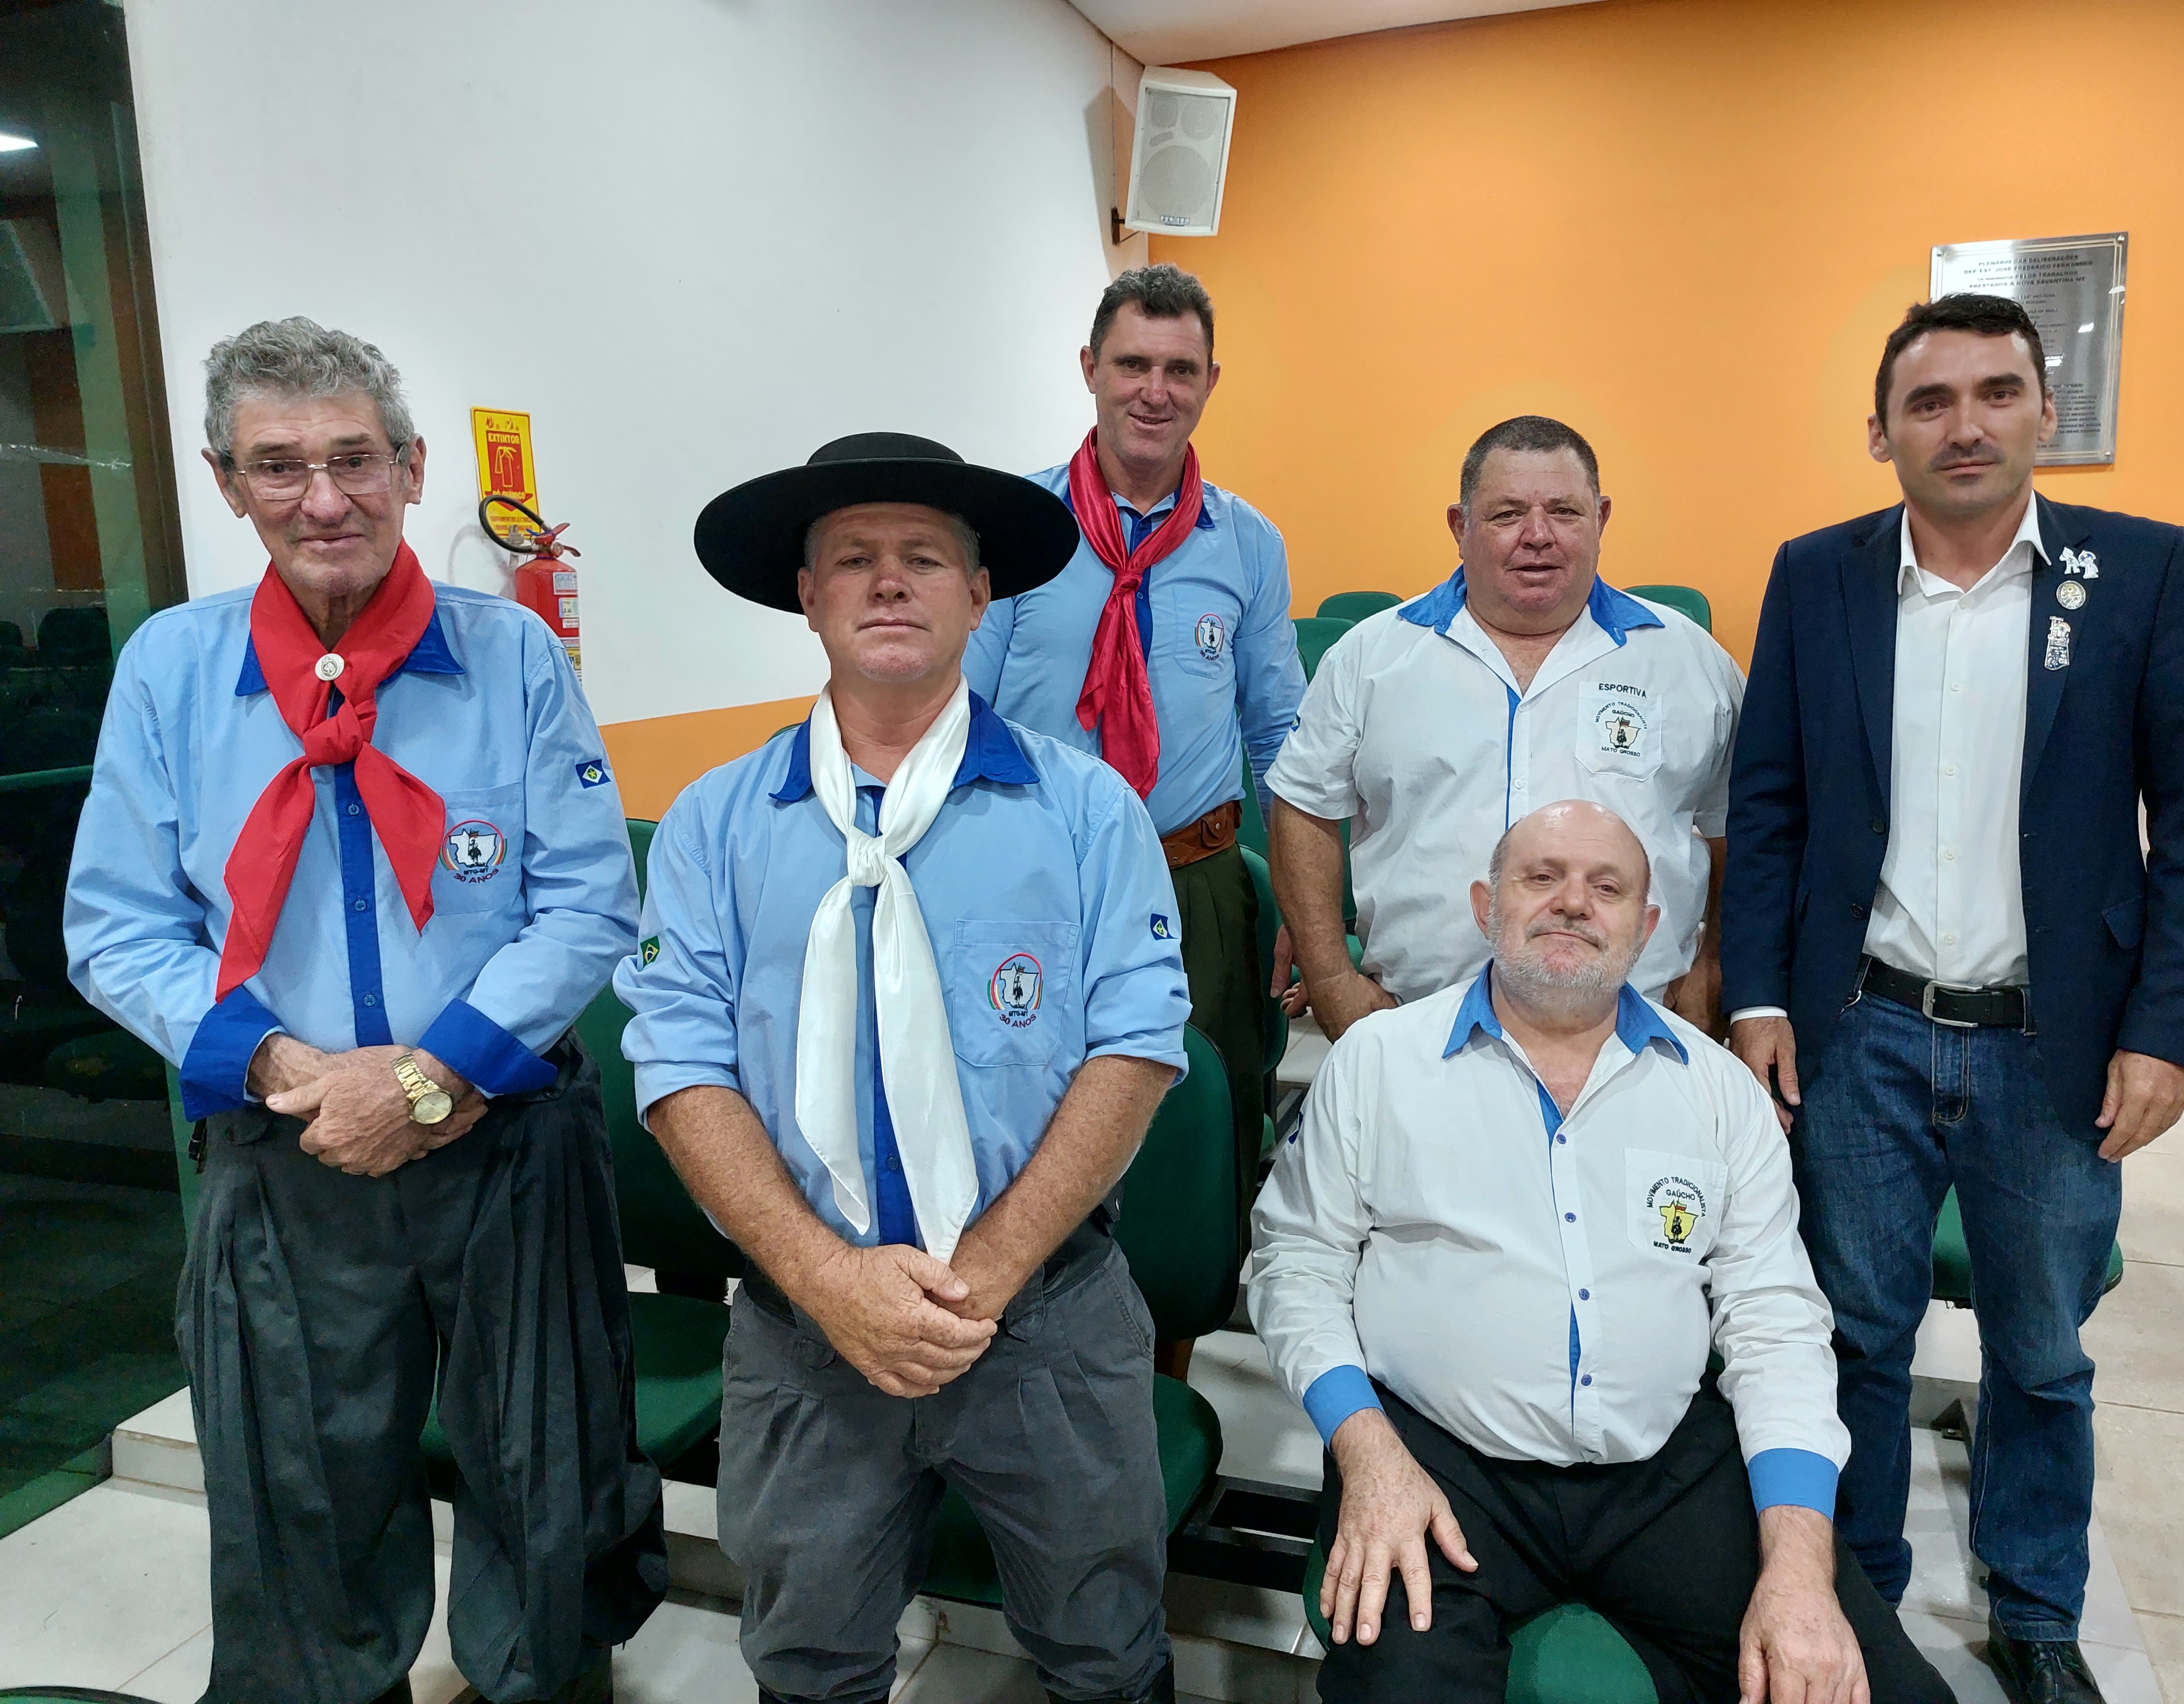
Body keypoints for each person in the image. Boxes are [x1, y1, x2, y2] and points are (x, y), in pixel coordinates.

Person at [63, 318, 664, 1704]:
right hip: (286, 1148)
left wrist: (432, 1077)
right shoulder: (171, 668)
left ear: (411, 467)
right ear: (227, 483)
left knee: (547, 1470)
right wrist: (291, 1067)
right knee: (300, 1493)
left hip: (506, 1140)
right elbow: (116, 926)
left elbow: (587, 902)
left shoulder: (513, 656)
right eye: (279, 465)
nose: (322, 497)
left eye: (353, 457)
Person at [621, 433, 1192, 1704]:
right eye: (853, 559)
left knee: (1105, 1645)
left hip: (1042, 1318)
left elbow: (1137, 1047)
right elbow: (678, 1066)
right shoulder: (715, 824)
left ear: (979, 594)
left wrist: (982, 1275)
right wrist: (830, 1281)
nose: (889, 582)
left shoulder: (1086, 810)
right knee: (808, 1659)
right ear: (806, 595)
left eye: (925, 558)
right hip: (802, 1326)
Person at [1724, 294, 2184, 1704]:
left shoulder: (2136, 570)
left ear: (2043, 413)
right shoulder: (1816, 576)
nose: (1964, 424)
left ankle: (2035, 1606)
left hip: (2050, 1044)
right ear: (1879, 429)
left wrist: (2166, 1032)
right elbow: (1768, 808)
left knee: (2043, 1353)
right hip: (1861, 1029)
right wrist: (1758, 996)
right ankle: (1860, 1591)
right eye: (1930, 400)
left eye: (1995, 392)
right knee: (1855, 1333)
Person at [1249, 800, 1952, 1704]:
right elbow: (1296, 1265)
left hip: (1664, 1469)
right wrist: (1365, 1449)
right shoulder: (1380, 1062)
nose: (1573, 902)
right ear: (1485, 906)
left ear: (1648, 927)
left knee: (1885, 1692)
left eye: (1607, 887)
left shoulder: (1716, 1092)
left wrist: (1797, 1564)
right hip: (1436, 1458)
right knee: (1402, 1687)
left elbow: (1776, 1327)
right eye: (1540, 877)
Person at [965, 263, 1304, 1248]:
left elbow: (1279, 734)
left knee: (1192, 1139)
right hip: (1033, 878)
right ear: (1089, 369)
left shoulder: (1246, 543)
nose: (1154, 391)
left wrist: (1300, 900)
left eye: (1179, 369)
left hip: (1192, 879)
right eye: (1131, 365)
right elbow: (960, 715)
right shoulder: (1014, 529)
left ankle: (1179, 1327)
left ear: (1208, 382)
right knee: (1024, 1123)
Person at [1266, 415, 1741, 1044]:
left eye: (1564, 512)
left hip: (1635, 1029)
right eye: (1507, 514)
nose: (1537, 536)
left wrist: (1715, 967)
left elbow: (1738, 829)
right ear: (1459, 527)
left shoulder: (1689, 661)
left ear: (1601, 519)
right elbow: (1303, 811)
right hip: (1415, 1027)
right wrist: (1332, 980)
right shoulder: (1371, 658)